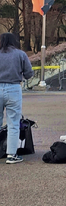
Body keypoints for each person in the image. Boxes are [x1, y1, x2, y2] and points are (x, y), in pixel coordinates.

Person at [0, 32, 33, 164]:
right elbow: (29, 73)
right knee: (13, 123)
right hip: (13, 88)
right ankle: (11, 155)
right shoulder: (20, 54)